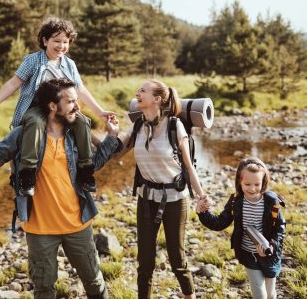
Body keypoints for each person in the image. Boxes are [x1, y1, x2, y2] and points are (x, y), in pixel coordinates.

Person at [0, 79, 121, 299]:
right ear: (52, 106)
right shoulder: (23, 134)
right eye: (70, 102)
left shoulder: (76, 133)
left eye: (76, 101)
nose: (77, 107)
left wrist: (113, 136)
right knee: (43, 290)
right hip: (40, 230)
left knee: (95, 283)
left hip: (78, 224)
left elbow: (94, 163)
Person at [0, 16, 113, 195]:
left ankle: (86, 170)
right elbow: (13, 83)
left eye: (65, 42)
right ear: (45, 40)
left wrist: (100, 112)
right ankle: (27, 174)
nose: (61, 46)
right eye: (56, 41)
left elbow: (81, 90)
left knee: (82, 122)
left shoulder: (69, 64)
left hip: (65, 108)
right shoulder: (33, 61)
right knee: (34, 123)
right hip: (37, 107)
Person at [118, 79, 208, 299]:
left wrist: (201, 195)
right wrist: (81, 127)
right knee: (145, 261)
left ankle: (189, 296)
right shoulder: (137, 125)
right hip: (146, 200)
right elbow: (112, 153)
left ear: (157, 99)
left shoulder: (174, 126)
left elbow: (188, 165)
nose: (137, 93)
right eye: (138, 89)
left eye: (143, 91)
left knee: (177, 260)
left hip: (175, 200)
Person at [196, 157, 286, 299]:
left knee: (270, 293)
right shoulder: (235, 201)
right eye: (247, 184)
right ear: (239, 182)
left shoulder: (271, 202)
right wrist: (203, 212)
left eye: (257, 184)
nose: (252, 188)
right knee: (260, 294)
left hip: (269, 255)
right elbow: (219, 223)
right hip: (248, 254)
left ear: (264, 182)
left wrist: (272, 246)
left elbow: (280, 229)